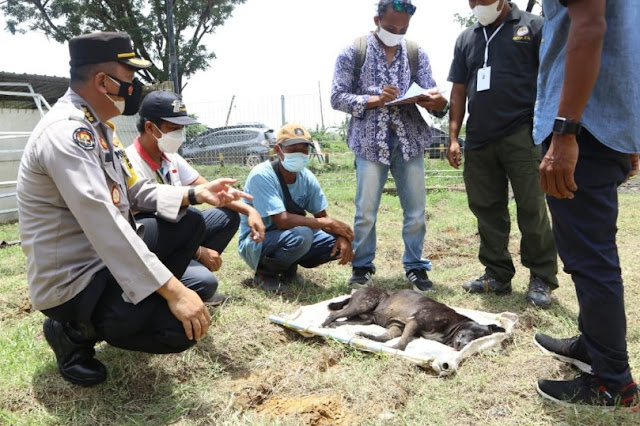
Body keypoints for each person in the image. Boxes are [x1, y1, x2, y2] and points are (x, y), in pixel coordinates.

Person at [16, 32, 248, 386]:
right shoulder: (66, 135)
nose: (134, 87)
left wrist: (196, 194)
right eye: (128, 78)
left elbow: (135, 191)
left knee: (189, 223)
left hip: (103, 260)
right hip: (75, 277)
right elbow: (105, 223)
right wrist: (175, 291)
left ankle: (133, 305)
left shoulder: (101, 130)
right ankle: (72, 332)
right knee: (177, 331)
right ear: (102, 81)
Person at [532, 0, 639, 408]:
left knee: (590, 257)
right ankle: (593, 348)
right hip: (605, 123)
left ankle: (614, 383)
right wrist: (629, 131)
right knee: (589, 249)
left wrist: (564, 132)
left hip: (582, 126)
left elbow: (590, 27)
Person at [446, 0, 558, 308]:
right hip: (479, 137)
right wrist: (454, 136)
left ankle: (541, 277)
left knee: (532, 205)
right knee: (486, 208)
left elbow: (551, 77)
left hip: (523, 132)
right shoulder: (467, 38)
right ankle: (496, 274)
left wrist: (549, 129)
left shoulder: (533, 26)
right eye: (472, 0)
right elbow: (457, 90)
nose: (477, 4)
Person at [331, 0, 448, 291]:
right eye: (391, 27)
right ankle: (362, 267)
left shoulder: (415, 52)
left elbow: (430, 90)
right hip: (369, 142)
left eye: (403, 28)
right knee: (366, 210)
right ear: (376, 21)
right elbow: (337, 97)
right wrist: (375, 100)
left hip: (409, 140)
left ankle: (416, 266)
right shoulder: (353, 51)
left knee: (416, 210)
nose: (397, 32)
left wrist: (435, 102)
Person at [125, 90, 265, 305]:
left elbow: (209, 190)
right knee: (206, 283)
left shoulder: (171, 158)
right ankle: (168, 284)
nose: (180, 135)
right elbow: (140, 230)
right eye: (174, 128)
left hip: (178, 234)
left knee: (227, 214)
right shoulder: (130, 163)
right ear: (150, 128)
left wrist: (250, 210)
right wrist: (199, 252)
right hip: (147, 247)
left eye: (182, 128)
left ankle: (181, 266)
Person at [238, 123, 354, 293]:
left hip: (291, 235)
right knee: (303, 234)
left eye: (304, 149)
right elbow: (283, 221)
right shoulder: (261, 175)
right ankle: (265, 274)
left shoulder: (307, 177)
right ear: (278, 150)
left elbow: (321, 215)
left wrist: (342, 236)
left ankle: (288, 270)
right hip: (257, 241)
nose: (299, 154)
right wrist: (328, 223)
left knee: (351, 239)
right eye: (293, 149)